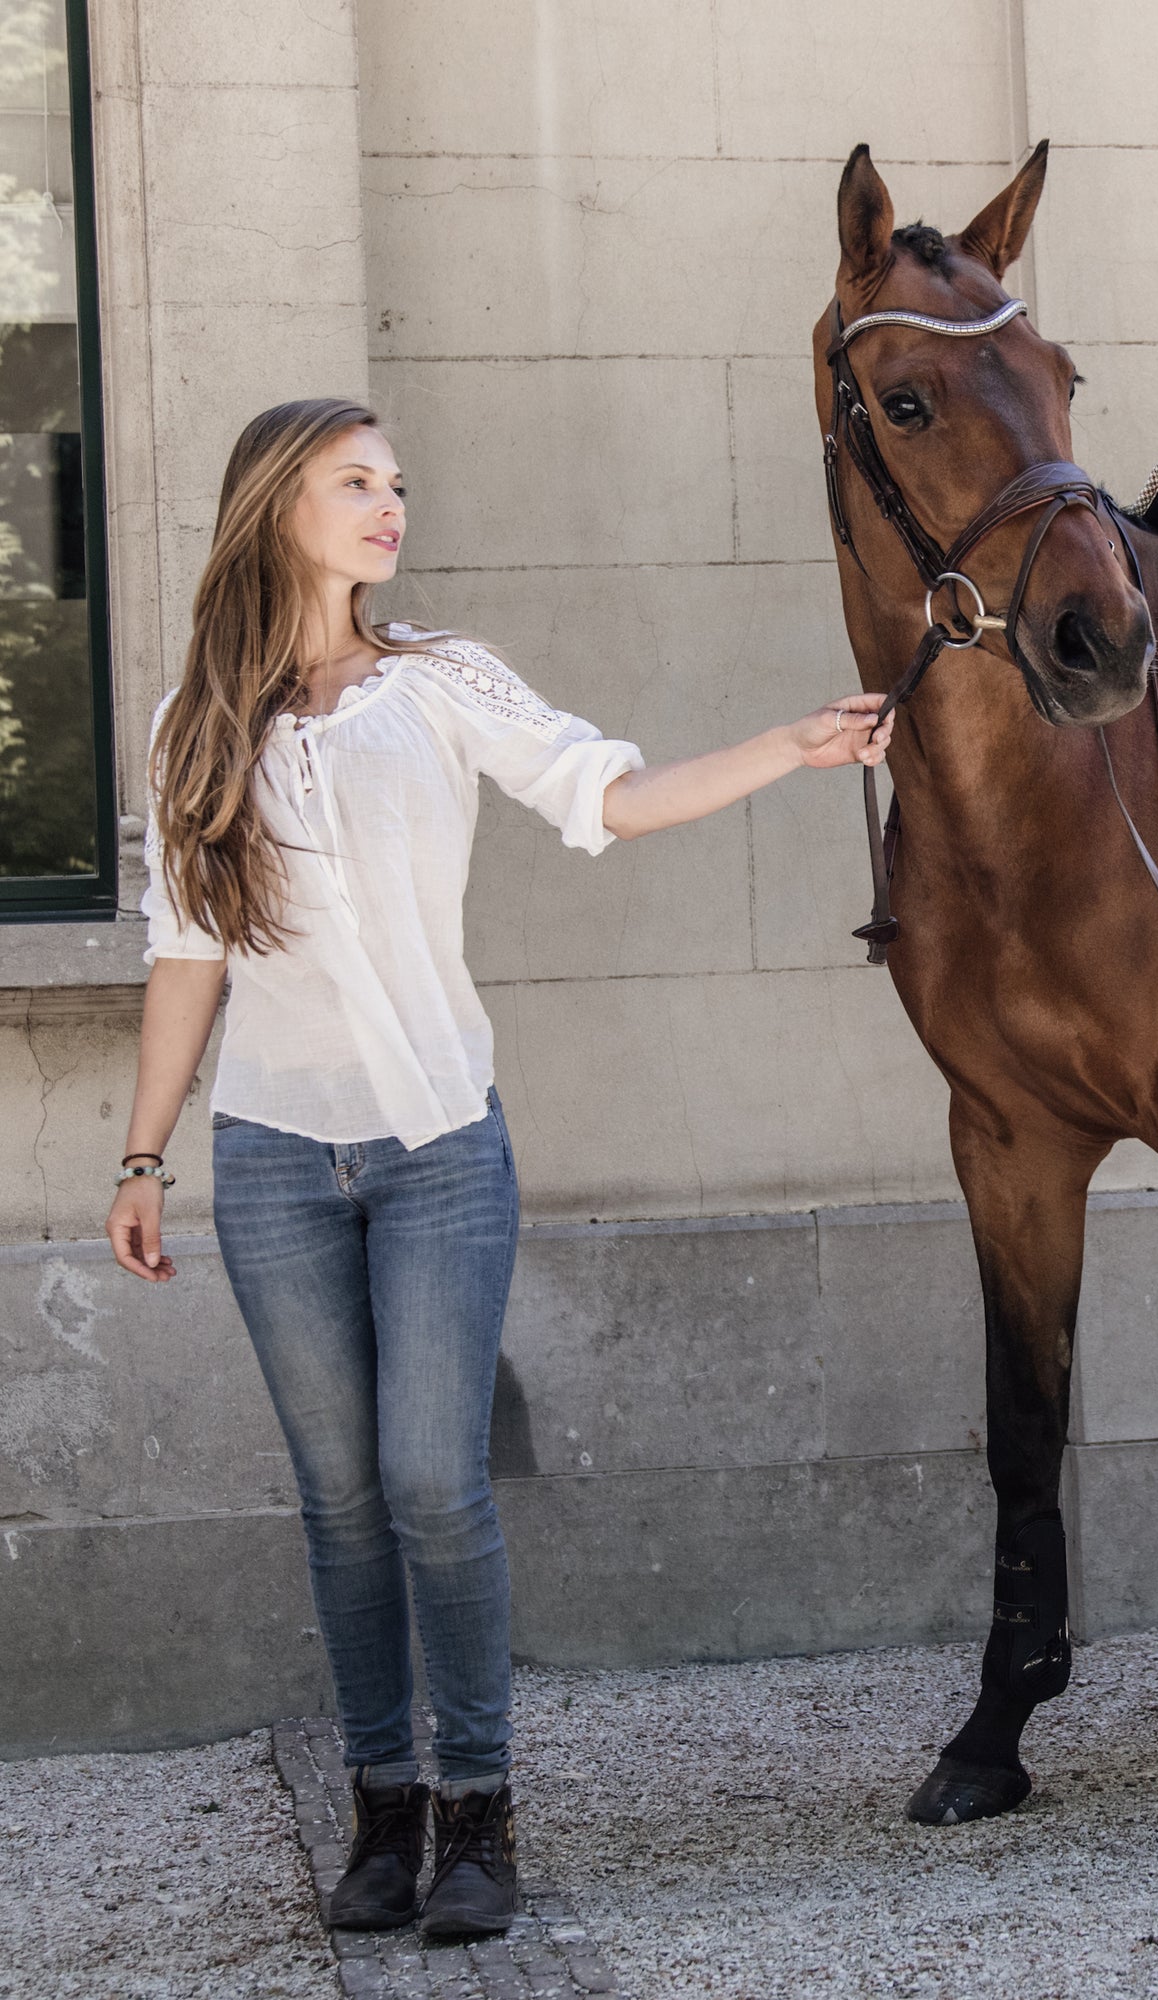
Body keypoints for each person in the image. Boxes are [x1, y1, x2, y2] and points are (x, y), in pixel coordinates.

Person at [103, 398, 890, 1940]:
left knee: (430, 1487)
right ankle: (381, 1817)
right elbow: (184, 956)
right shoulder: (195, 719)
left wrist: (787, 748)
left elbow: (606, 794)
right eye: (357, 484)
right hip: (269, 1154)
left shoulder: (438, 681)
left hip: (441, 1150)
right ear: (278, 505)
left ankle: (478, 1815)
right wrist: (143, 1153)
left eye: (399, 484)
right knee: (338, 1502)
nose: (392, 507)